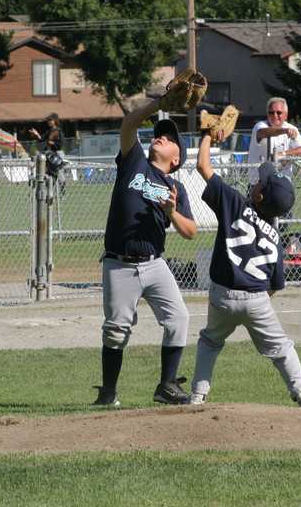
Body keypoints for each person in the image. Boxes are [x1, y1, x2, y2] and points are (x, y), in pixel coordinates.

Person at [188, 128, 301, 408]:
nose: (257, 181)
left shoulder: (233, 202)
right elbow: (276, 285)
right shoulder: (275, 237)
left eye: (261, 183)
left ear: (258, 196)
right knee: (281, 348)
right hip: (257, 299)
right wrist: (254, 301)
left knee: (210, 342)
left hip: (222, 294)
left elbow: (203, 166)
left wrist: (207, 136)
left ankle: (198, 395)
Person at [93, 100, 197, 408]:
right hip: (119, 263)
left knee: (179, 318)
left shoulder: (175, 188)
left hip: (155, 264)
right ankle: (108, 393)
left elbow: (190, 231)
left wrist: (172, 212)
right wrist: (161, 104)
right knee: (116, 330)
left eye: (170, 138)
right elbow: (129, 124)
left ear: (176, 159)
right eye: (160, 133)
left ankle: (167, 385)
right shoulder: (134, 161)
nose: (161, 137)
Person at [247, 97, 301, 184]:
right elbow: (264, 132)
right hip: (259, 183)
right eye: (271, 113)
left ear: (286, 115)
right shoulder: (260, 126)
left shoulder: (291, 128)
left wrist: (284, 154)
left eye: (279, 113)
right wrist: (285, 131)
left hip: (283, 183)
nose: (275, 116)